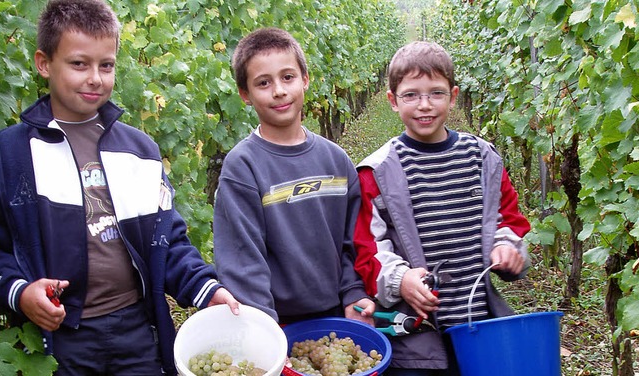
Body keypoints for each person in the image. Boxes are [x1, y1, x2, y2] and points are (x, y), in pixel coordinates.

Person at [0, 0, 239, 375]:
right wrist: (18, 290)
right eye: (79, 63)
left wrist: (205, 289)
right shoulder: (12, 154)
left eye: (106, 65)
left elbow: (168, 241)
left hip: (136, 331)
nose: (95, 77)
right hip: (60, 338)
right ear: (44, 63)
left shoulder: (140, 151)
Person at [353, 41, 531, 376]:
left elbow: (508, 217)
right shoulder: (378, 171)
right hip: (418, 337)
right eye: (411, 95)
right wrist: (400, 279)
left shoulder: (482, 158)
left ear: (453, 95)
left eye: (436, 93)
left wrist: (507, 248)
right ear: (392, 100)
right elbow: (368, 248)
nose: (424, 105)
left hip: (480, 322)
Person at [213, 27, 375, 326]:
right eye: (263, 83)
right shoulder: (243, 167)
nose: (278, 90)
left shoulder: (336, 160)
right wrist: (265, 330)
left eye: (287, 77)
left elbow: (354, 239)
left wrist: (354, 293)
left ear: (305, 79)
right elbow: (242, 261)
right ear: (245, 95)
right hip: (276, 321)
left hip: (338, 313)